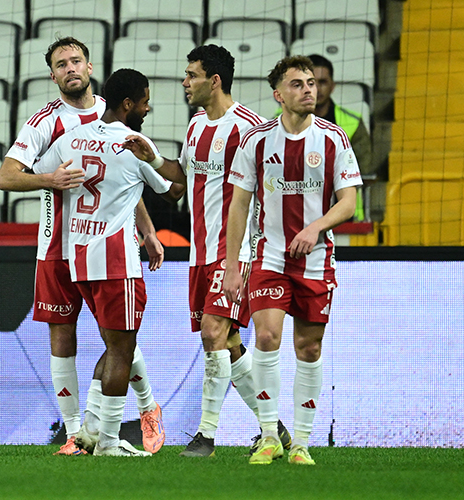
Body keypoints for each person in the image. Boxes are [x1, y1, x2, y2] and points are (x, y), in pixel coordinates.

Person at [0, 37, 167, 455]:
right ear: (52, 75)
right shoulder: (45, 122)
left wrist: (147, 230)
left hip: (106, 243)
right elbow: (6, 177)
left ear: (89, 67)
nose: (70, 68)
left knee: (118, 336)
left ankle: (147, 407)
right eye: (61, 64)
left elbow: (126, 180)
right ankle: (75, 434)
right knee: (63, 338)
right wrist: (48, 179)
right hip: (56, 246)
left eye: (76, 61)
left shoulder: (116, 115)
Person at [122, 44, 291, 457]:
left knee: (213, 334)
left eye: (191, 75)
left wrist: (252, 254)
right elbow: (181, 178)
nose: (184, 82)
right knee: (228, 343)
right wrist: (152, 159)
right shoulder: (197, 125)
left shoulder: (250, 129)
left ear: (214, 81)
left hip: (236, 252)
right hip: (200, 253)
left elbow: (274, 189)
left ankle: (206, 436)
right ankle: (273, 428)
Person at [33, 68, 184, 456]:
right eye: (145, 102)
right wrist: (166, 160)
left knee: (115, 345)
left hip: (79, 259)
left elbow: (41, 172)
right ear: (128, 104)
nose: (148, 109)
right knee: (121, 349)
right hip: (117, 262)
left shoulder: (72, 138)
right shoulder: (134, 144)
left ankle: (92, 428)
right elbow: (173, 192)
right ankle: (109, 441)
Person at [223, 55, 362, 465]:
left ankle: (301, 441)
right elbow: (238, 206)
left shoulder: (334, 138)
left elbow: (349, 202)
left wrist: (315, 227)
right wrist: (231, 264)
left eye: (312, 83)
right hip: (268, 257)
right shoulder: (256, 140)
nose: (308, 90)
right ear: (278, 95)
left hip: (316, 260)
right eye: (298, 84)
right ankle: (269, 434)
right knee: (266, 337)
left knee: (309, 347)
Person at [308, 54, 371, 221]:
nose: (317, 89)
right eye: (311, 83)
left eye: (323, 82)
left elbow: (363, 170)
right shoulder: (280, 123)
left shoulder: (353, 122)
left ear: (332, 86)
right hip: (294, 216)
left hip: (345, 217)